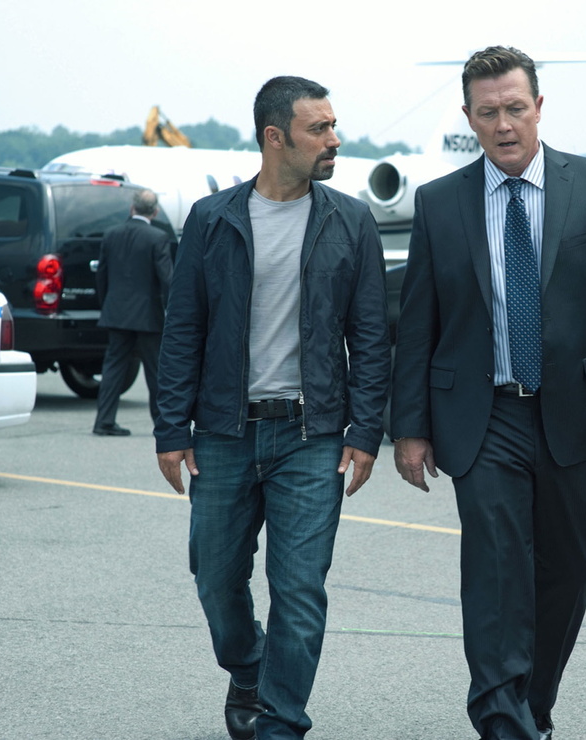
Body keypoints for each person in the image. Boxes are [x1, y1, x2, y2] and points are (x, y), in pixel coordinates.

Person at [390, 46, 586, 740]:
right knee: (497, 570)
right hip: (482, 417)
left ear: (539, 107)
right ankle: (502, 722)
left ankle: (532, 706)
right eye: (488, 112)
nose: (503, 124)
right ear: (468, 117)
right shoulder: (439, 203)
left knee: (571, 566)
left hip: (573, 413)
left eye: (514, 108)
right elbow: (417, 325)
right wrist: (409, 427)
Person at [154, 76, 391, 740]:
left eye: (333, 126)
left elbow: (371, 337)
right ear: (275, 137)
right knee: (215, 578)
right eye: (319, 129)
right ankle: (248, 666)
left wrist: (365, 430)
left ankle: (282, 722)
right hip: (224, 432)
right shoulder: (212, 219)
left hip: (312, 437)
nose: (334, 140)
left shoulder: (351, 220)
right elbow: (183, 330)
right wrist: (171, 428)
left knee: (300, 589)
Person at [91, 188, 173, 436]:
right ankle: (162, 425)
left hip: (116, 312)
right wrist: (172, 311)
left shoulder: (111, 234)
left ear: (132, 208)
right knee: (155, 372)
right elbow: (167, 279)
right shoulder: (157, 237)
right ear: (155, 212)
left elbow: (102, 275)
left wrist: (107, 304)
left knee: (113, 368)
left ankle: (104, 421)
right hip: (148, 315)